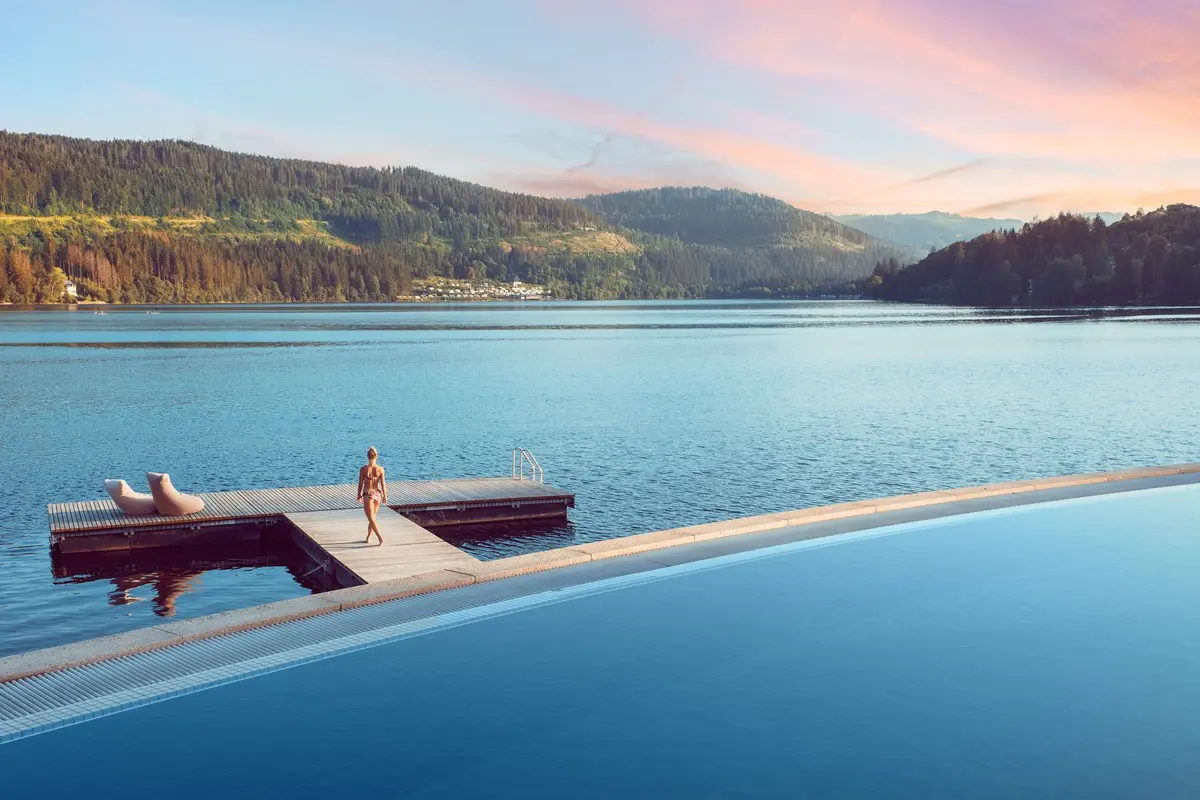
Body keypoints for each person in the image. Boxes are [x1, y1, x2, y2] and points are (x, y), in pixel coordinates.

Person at [356, 446, 387, 545]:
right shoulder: (380, 469)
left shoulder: (364, 469)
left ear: (367, 457)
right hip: (377, 494)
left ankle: (380, 537)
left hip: (368, 494)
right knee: (372, 517)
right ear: (376, 456)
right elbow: (383, 484)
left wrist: (359, 494)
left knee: (371, 518)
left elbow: (361, 483)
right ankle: (368, 537)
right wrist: (385, 495)